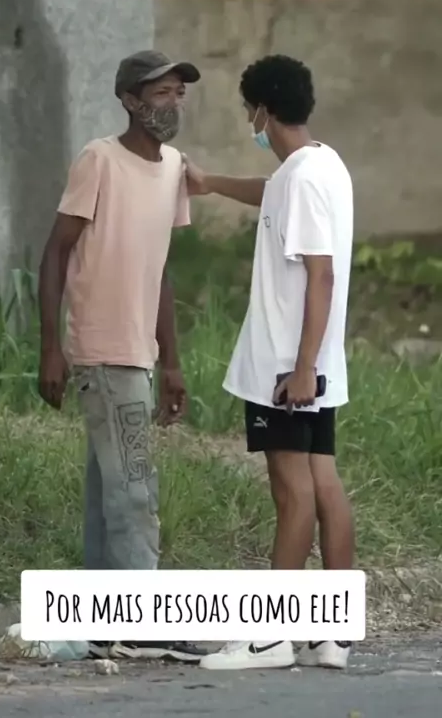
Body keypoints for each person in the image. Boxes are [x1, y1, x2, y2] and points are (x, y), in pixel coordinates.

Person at [184, 54, 354, 672]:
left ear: (261, 111)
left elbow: (321, 274)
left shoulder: (301, 179)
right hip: (313, 362)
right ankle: (331, 634)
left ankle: (270, 637)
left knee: (294, 493)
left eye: (247, 112)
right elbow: (271, 194)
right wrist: (210, 182)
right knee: (324, 484)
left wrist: (301, 367)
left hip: (289, 367)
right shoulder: (319, 165)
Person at [38, 50, 206, 664]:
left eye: (178, 93)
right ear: (131, 101)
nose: (173, 104)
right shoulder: (99, 159)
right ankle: (141, 625)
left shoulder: (174, 169)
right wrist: (50, 346)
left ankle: (101, 624)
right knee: (135, 488)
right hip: (102, 345)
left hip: (140, 350)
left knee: (108, 491)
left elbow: (160, 269)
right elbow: (56, 252)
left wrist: (172, 362)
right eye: (161, 93)